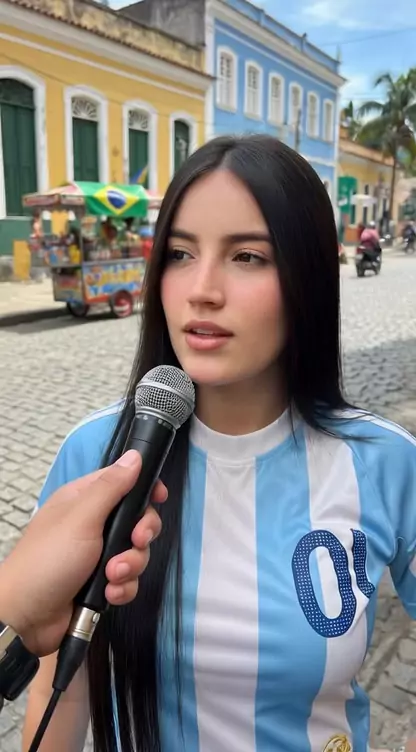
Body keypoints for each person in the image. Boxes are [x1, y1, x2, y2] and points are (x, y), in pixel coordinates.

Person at [23, 135, 416, 752]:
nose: (202, 289)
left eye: (248, 256)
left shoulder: (385, 462)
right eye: (180, 253)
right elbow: (62, 687)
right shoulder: (96, 456)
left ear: (310, 276)